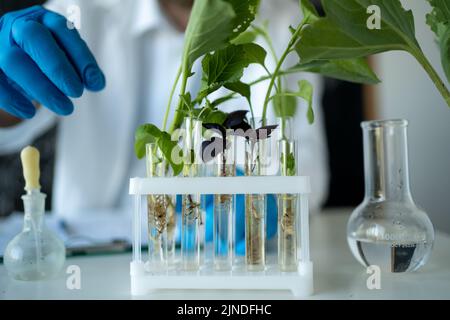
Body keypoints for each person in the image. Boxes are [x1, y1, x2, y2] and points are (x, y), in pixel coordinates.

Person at [0, 0, 328, 249]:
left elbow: (304, 162)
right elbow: (13, 124)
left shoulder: (286, 19)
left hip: (225, 258)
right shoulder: (83, 11)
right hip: (94, 259)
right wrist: (8, 89)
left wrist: (266, 198)